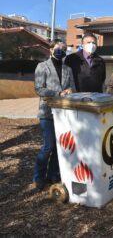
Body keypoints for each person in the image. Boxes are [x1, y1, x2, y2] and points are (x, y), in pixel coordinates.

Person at [33, 40, 75, 190]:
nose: (61, 50)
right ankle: (38, 177)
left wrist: (70, 91)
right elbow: (39, 89)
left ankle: (53, 175)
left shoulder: (67, 69)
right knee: (48, 146)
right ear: (51, 49)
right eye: (58, 47)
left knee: (59, 147)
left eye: (64, 48)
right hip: (47, 113)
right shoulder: (42, 66)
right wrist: (57, 93)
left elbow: (72, 88)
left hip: (64, 113)